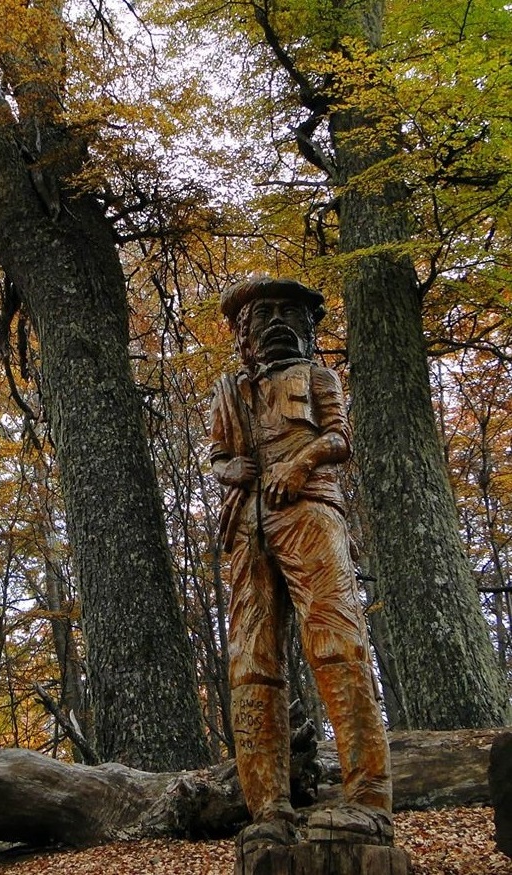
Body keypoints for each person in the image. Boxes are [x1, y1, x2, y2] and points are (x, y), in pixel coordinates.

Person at [210, 276, 393, 847]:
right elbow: (220, 455)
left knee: (337, 641)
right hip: (247, 526)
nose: (278, 324)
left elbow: (339, 438)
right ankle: (268, 809)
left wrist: (302, 461)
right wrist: (228, 470)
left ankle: (369, 801)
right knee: (251, 660)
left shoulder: (318, 376)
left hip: (311, 512)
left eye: (291, 313)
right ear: (242, 332)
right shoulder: (229, 390)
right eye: (263, 315)